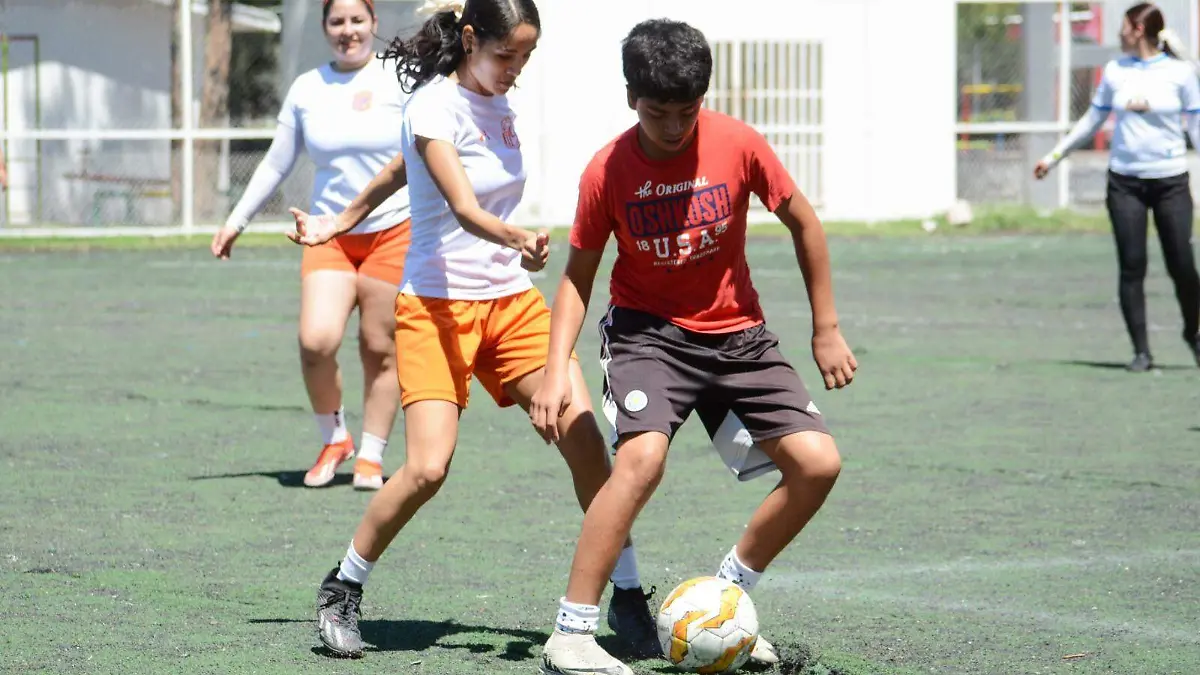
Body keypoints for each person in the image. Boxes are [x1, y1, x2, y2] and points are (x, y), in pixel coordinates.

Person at [287, 0, 659, 660]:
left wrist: (343, 215)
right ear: (469, 40)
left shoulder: (496, 103)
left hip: (510, 305)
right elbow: (459, 204)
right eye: (505, 55)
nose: (515, 69)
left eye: (525, 58)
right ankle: (342, 586)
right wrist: (513, 233)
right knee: (428, 468)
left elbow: (402, 167)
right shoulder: (433, 104)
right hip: (435, 310)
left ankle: (626, 595)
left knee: (585, 442)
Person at [530, 19, 858, 675]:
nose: (675, 126)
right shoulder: (608, 170)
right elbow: (577, 276)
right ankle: (571, 632)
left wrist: (826, 325)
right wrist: (552, 370)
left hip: (739, 336)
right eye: (659, 112)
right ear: (632, 99)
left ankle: (724, 598)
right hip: (648, 335)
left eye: (688, 110)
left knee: (818, 464)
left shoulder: (738, 144)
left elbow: (803, 220)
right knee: (642, 460)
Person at [211, 0, 411, 490]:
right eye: (338, 22)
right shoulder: (308, 88)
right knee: (316, 341)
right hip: (329, 233)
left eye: (357, 20)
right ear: (325, 28)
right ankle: (336, 436)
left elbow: (429, 152)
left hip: (394, 231)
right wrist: (236, 220)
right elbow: (277, 163)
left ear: (374, 24)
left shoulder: (399, 80)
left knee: (379, 346)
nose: (348, 31)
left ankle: (371, 455)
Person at [1035, 2, 1200, 372]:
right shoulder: (1114, 71)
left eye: (1123, 26)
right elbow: (1092, 121)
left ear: (1137, 31)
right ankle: (1141, 351)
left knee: (1183, 265)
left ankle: (1194, 331)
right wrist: (1054, 156)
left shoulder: (1180, 74)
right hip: (1125, 182)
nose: (1118, 33)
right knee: (1132, 265)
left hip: (1170, 181)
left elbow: (1195, 128)